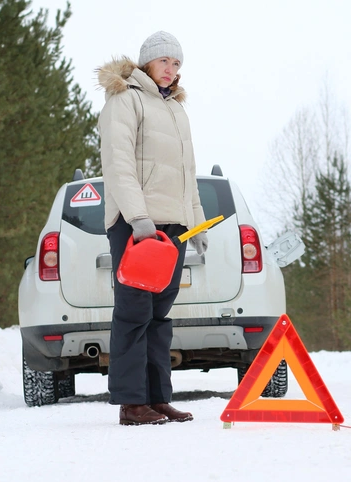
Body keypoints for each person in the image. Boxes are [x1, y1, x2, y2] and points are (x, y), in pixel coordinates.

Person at [97, 31, 207, 426]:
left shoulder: (176, 109)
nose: (171, 70)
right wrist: (138, 218)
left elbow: (187, 174)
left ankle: (157, 398)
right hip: (136, 226)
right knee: (134, 314)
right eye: (165, 62)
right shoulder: (124, 99)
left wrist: (195, 223)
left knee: (160, 317)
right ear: (147, 62)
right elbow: (118, 163)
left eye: (177, 64)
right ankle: (131, 404)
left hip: (173, 228)